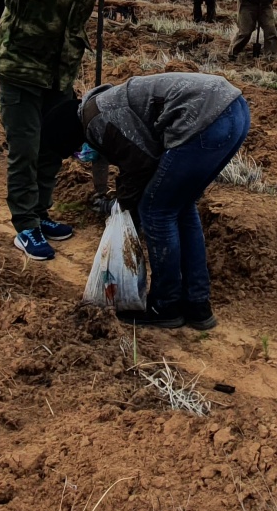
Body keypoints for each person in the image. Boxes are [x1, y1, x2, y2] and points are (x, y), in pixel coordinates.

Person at [0, 0, 148, 261]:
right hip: (21, 65)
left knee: (53, 146)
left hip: (60, 70)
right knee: (25, 149)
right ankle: (25, 225)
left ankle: (42, 214)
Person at [80, 72, 250, 330]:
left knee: (155, 209)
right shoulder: (109, 101)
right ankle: (197, 305)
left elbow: (140, 161)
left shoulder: (97, 117)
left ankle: (165, 304)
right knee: (181, 205)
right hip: (234, 109)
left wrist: (125, 210)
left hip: (206, 117)